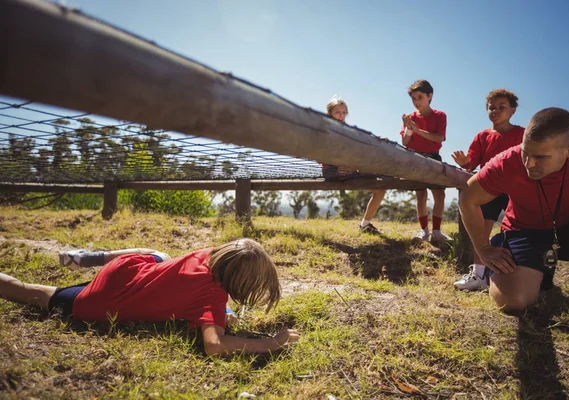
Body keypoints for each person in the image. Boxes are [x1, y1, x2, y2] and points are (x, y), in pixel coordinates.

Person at [0, 239, 300, 356]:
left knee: (158, 255)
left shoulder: (208, 256)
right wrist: (271, 343)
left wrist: (224, 306)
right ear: (241, 281)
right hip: (98, 305)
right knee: (31, 293)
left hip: (124, 272)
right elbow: (214, 345)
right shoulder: (211, 295)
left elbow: (191, 287)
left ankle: (94, 257)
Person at [459, 107, 569, 313]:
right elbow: (468, 198)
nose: (528, 163)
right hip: (523, 232)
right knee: (513, 302)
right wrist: (483, 249)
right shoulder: (507, 162)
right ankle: (533, 274)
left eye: (541, 157)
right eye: (526, 152)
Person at [451, 89, 525, 291]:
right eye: (492, 107)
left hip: (515, 188)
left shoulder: (522, 134)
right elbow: (472, 162)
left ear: (513, 110)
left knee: (515, 230)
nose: (496, 110)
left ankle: (518, 273)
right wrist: (465, 161)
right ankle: (479, 275)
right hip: (489, 188)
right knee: (481, 230)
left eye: (502, 107)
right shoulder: (482, 136)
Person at [322, 95, 386, 234]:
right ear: (330, 113)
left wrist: (377, 141)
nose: (341, 115)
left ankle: (365, 225)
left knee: (380, 189)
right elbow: (319, 155)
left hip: (349, 171)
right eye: (337, 112)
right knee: (375, 177)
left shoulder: (347, 130)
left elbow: (361, 142)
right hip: (333, 171)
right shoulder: (326, 129)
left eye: (344, 112)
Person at [400, 80, 449, 245]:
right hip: (416, 158)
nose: (416, 102)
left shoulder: (440, 116)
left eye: (419, 97)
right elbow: (405, 142)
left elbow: (438, 138)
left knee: (439, 194)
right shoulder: (410, 118)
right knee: (420, 195)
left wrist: (417, 130)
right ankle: (424, 231)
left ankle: (436, 232)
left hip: (434, 158)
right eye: (413, 98)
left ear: (430, 96)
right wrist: (408, 128)